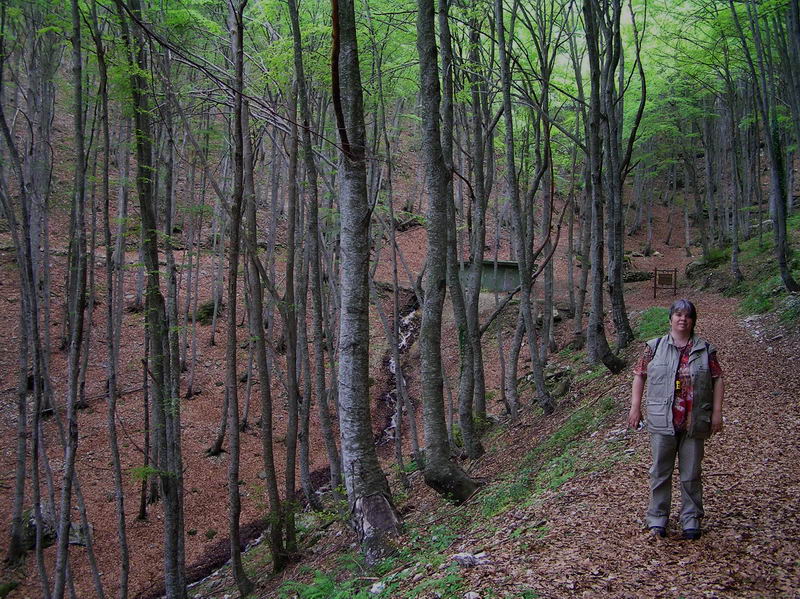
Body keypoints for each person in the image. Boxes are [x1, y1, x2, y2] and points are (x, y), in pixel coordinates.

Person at [628, 299, 724, 540]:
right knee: (661, 471)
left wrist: (716, 412)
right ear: (670, 318)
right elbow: (640, 376)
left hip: (695, 420)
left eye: (688, 315)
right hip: (662, 420)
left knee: (691, 472)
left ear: (693, 320)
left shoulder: (705, 349)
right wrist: (635, 407)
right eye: (678, 315)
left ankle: (691, 518)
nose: (683, 319)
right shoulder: (654, 347)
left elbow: (717, 379)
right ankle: (657, 518)